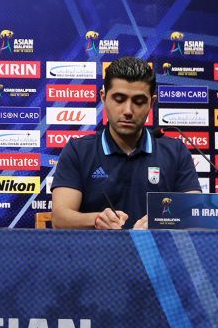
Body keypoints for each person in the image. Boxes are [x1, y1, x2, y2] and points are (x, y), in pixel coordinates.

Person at [51, 56, 200, 230]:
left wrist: (163, 218)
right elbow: (59, 219)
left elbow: (196, 213)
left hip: (155, 247)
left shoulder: (176, 151)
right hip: (97, 247)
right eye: (119, 99)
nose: (128, 111)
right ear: (103, 98)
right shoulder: (78, 150)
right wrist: (97, 219)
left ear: (151, 103)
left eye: (138, 101)